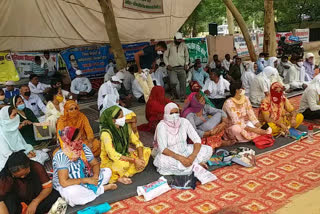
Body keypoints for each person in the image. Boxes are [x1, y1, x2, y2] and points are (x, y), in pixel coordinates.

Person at [53, 127, 117, 207]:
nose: (81, 141)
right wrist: (86, 180)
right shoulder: (61, 156)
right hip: (70, 184)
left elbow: (95, 164)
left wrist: (95, 176)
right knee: (71, 193)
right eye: (78, 139)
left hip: (86, 176)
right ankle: (101, 189)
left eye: (81, 138)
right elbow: (64, 182)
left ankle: (90, 190)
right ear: (69, 141)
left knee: (108, 171)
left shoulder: (83, 147)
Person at [153, 103, 213, 175]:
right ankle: (195, 165)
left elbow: (196, 139)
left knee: (208, 149)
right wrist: (181, 158)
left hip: (185, 150)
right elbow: (163, 149)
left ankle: (191, 166)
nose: (174, 115)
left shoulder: (184, 122)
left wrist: (192, 156)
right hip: (171, 155)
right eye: (171, 113)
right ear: (166, 114)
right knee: (161, 161)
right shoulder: (162, 126)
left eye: (176, 112)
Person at [100, 106, 151, 184]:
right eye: (121, 117)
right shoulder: (106, 133)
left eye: (123, 115)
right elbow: (113, 155)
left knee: (146, 151)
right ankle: (119, 176)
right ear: (113, 120)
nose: (124, 118)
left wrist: (140, 158)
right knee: (123, 164)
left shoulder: (125, 127)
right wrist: (134, 160)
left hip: (126, 155)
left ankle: (125, 175)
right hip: (112, 160)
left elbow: (137, 142)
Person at [164, 32, 189, 101]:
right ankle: (174, 94)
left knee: (183, 83)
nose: (179, 41)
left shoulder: (184, 45)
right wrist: (167, 64)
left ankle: (182, 97)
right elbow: (165, 56)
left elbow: (187, 55)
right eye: (178, 39)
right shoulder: (169, 46)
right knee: (173, 82)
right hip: (172, 68)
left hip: (182, 67)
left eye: (180, 39)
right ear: (174, 39)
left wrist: (186, 64)